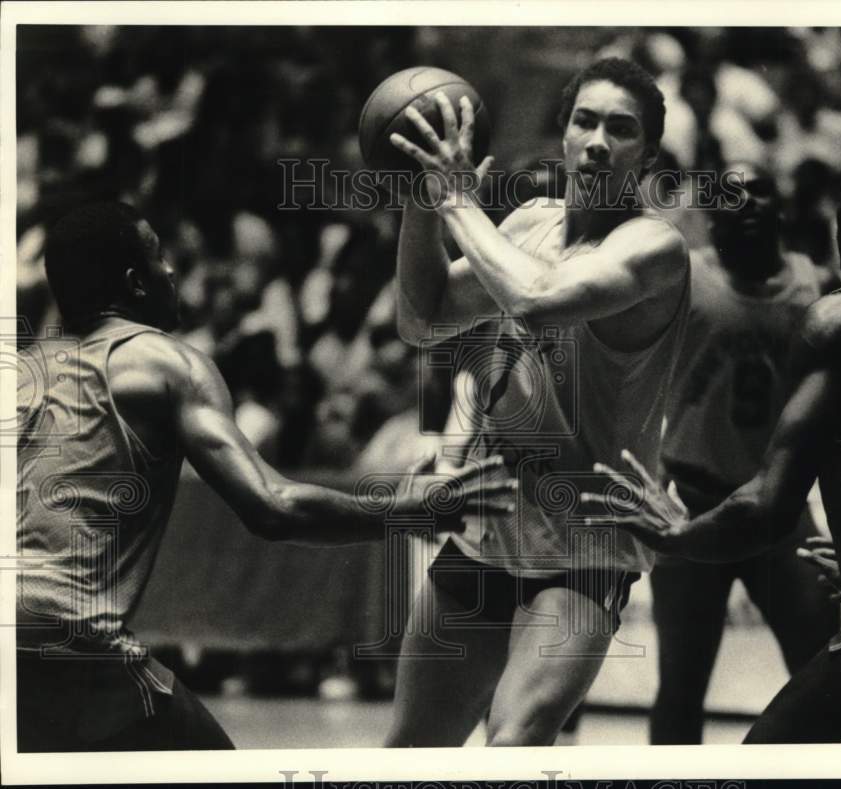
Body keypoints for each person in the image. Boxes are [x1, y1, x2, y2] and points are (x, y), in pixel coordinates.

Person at [15, 202, 515, 752]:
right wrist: (408, 509)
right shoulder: (165, 364)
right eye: (161, 256)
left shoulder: (28, 376)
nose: (175, 270)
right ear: (135, 283)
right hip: (68, 629)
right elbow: (272, 507)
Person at [586, 135, 841, 743]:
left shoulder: (831, 304)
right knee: (684, 685)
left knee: (771, 751)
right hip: (703, 487)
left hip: (769, 518)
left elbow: (770, 506)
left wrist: (678, 534)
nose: (839, 215)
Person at [385, 57, 691, 746]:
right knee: (409, 750)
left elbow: (538, 300)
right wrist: (422, 197)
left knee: (515, 740)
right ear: (563, 132)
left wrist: (459, 200)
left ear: (649, 153)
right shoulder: (527, 224)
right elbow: (421, 317)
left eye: (621, 128)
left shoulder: (655, 248)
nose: (598, 141)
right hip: (491, 519)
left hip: (588, 538)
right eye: (585, 120)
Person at [649, 161, 841, 744]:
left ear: (779, 208)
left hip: (780, 509)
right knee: (681, 687)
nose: (747, 202)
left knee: (823, 680)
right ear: (708, 215)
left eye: (760, 191)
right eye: (730, 195)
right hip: (695, 503)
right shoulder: (681, 277)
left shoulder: (820, 288)